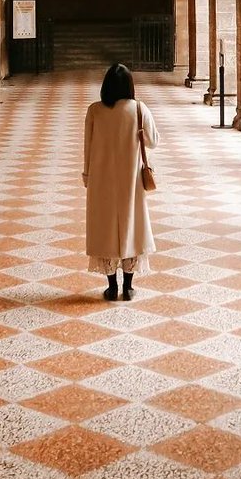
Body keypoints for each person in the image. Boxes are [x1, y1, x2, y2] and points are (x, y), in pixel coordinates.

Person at [83, 63, 158, 301]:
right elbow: (153, 141)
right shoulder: (138, 109)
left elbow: (88, 146)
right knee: (131, 225)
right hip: (130, 179)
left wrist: (87, 175)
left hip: (101, 178)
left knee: (104, 227)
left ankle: (111, 286)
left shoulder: (94, 110)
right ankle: (128, 286)